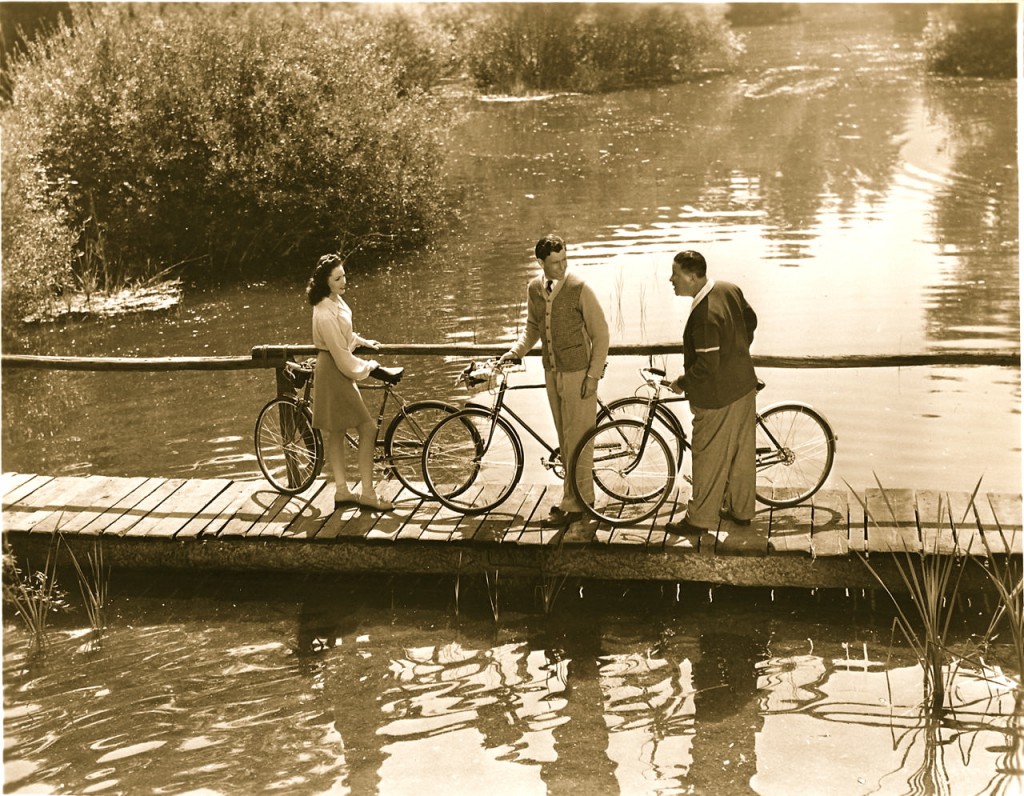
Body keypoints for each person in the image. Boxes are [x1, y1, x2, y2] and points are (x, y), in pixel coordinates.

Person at [500, 235, 610, 528]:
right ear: (540, 263)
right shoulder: (534, 289)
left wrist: (593, 376)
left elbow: (601, 335)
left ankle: (577, 504)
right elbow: (532, 327)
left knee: (579, 440)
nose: (562, 267)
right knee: (565, 439)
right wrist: (516, 352)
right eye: (555, 263)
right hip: (552, 371)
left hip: (579, 374)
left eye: (565, 260)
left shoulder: (580, 288)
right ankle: (574, 499)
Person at [665, 250, 758, 534]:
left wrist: (682, 383)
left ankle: (700, 519)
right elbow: (751, 321)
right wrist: (736, 355)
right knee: (742, 454)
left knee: (707, 457)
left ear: (692, 277)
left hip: (718, 399)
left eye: (676, 274)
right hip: (744, 386)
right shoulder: (729, 289)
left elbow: (706, 365)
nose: (671, 279)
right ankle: (742, 511)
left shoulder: (704, 316)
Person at [307, 253, 394, 511]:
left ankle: (342, 491)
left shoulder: (335, 300)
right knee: (367, 428)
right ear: (326, 281)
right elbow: (340, 353)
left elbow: (344, 334)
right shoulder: (323, 312)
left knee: (337, 432)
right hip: (333, 369)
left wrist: (363, 341)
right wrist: (370, 366)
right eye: (337, 278)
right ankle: (368, 493)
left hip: (335, 366)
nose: (344, 281)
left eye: (344, 275)